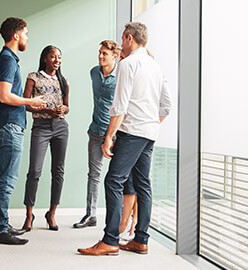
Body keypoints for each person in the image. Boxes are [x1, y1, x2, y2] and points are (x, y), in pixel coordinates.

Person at [78, 22, 172, 255]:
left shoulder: (128, 64)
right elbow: (166, 106)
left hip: (132, 133)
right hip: (149, 134)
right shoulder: (155, 66)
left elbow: (119, 106)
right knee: (143, 185)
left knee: (113, 181)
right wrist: (149, 123)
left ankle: (110, 240)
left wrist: (109, 136)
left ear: (129, 38)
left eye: (122, 39)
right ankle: (141, 240)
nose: (121, 44)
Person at [0, 17, 46, 245]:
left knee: (4, 177)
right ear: (16, 35)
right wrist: (29, 102)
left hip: (8, 125)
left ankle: (2, 223)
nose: (27, 37)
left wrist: (27, 103)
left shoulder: (8, 59)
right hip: (9, 126)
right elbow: (4, 95)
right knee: (7, 179)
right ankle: (0, 230)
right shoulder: (7, 60)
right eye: (25, 33)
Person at [73, 40, 121, 229]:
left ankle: (123, 220)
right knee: (93, 174)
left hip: (116, 133)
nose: (100, 56)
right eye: (99, 53)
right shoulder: (94, 72)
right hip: (95, 131)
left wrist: (112, 133)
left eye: (105, 54)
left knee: (119, 177)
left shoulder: (121, 76)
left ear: (115, 57)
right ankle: (90, 215)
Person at [21, 45, 69, 232]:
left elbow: (67, 106)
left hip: (61, 128)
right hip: (41, 127)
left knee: (58, 171)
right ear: (44, 58)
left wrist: (62, 109)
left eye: (59, 57)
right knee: (34, 171)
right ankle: (29, 215)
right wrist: (46, 110)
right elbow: (26, 104)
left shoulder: (63, 81)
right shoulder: (33, 78)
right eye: (53, 56)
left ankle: (52, 214)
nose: (57, 60)